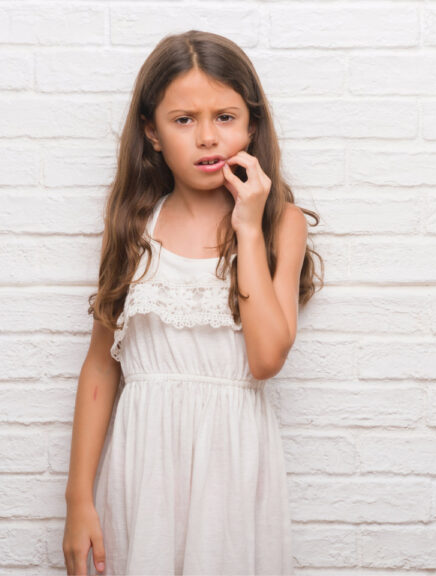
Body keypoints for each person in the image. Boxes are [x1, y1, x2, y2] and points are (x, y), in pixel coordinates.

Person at [62, 29, 324, 575]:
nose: (208, 137)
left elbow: (267, 359)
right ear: (152, 133)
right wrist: (77, 500)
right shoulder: (135, 227)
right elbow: (100, 367)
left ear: (252, 124)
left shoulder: (282, 225)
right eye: (184, 120)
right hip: (143, 462)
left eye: (225, 117)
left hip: (231, 461)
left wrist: (248, 227)